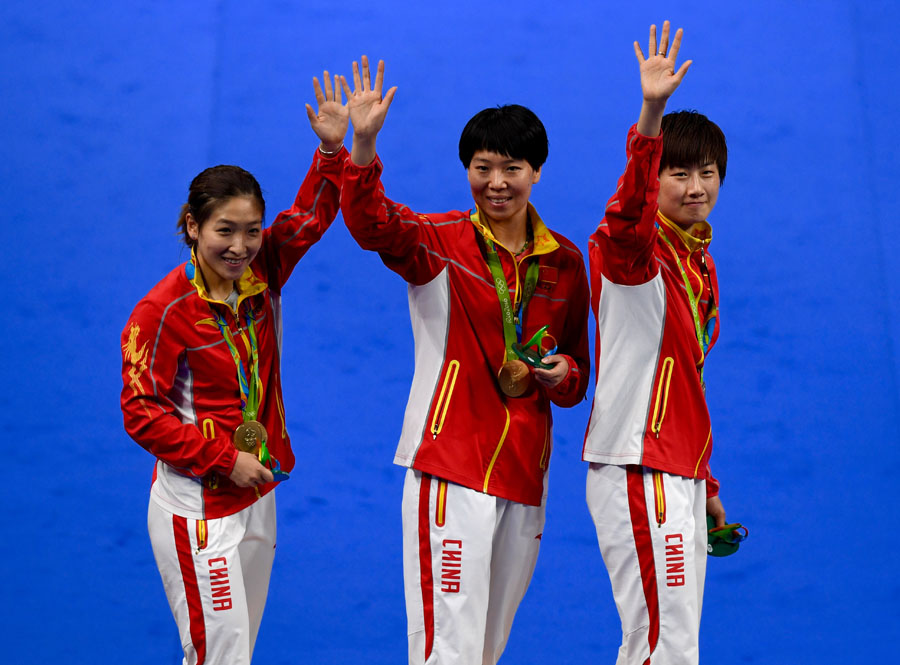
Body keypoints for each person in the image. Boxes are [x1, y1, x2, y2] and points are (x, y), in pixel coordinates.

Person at [338, 56, 591, 665]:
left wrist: (561, 376)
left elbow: (577, 374)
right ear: (466, 170)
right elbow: (372, 225)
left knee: (485, 649)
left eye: (512, 168)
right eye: (482, 168)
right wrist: (364, 145)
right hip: (452, 464)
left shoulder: (564, 263)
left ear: (537, 172)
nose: (497, 182)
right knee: (445, 648)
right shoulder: (440, 241)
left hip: (526, 472)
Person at [119, 72, 349, 664]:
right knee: (218, 658)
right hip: (199, 504)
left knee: (237, 653)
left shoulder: (261, 272)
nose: (240, 246)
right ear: (193, 227)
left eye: (251, 231)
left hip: (257, 492)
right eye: (225, 231)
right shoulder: (161, 310)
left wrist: (330, 152)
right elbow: (142, 415)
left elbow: (309, 219)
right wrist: (226, 459)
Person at [583, 22, 730, 664]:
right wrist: (651, 114)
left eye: (707, 172)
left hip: (678, 468)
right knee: (660, 647)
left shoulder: (700, 262)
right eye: (679, 173)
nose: (695, 187)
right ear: (656, 178)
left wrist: (706, 479)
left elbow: (681, 379)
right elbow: (625, 213)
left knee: (676, 648)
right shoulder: (631, 250)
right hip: (638, 463)